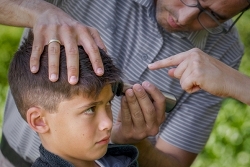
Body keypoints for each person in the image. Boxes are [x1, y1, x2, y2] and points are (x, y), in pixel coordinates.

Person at [0, 0, 249, 167]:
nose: (185, 17)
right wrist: (37, 11)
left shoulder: (224, 50)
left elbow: (176, 161)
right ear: (38, 120)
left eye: (213, 15)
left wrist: (134, 142)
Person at [8, 36, 139, 167]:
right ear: (39, 121)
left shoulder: (120, 161)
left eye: (108, 102)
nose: (108, 123)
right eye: (90, 109)